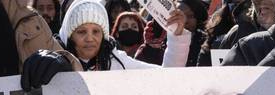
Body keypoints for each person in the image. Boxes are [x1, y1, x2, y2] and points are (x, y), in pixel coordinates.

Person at [58, 0, 190, 70]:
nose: (89, 38)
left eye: (96, 31)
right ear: (69, 35)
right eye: (81, 31)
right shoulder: (56, 64)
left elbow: (169, 77)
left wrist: (177, 36)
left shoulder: (117, 63)